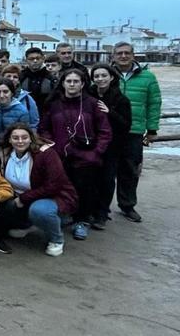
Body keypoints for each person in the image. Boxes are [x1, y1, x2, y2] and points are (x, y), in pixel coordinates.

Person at [39, 69, 112, 241]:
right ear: (63, 83)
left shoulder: (93, 104)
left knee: (85, 189)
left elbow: (105, 131)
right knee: (61, 188)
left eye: (76, 81)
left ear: (83, 84)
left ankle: (82, 221)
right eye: (68, 81)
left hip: (86, 157)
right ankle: (66, 215)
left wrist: (96, 153)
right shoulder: (53, 104)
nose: (72, 84)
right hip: (60, 156)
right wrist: (52, 147)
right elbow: (44, 128)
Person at [0, 123, 79, 257]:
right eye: (15, 138)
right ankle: (26, 225)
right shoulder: (4, 153)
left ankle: (56, 239)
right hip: (21, 194)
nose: (20, 141)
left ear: (31, 138)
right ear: (9, 140)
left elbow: (53, 186)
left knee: (39, 210)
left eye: (24, 137)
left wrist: (23, 198)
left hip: (55, 196)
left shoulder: (46, 154)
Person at [111, 41, 161, 222]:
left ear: (133, 55)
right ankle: (101, 208)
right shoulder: (105, 75)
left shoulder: (148, 77)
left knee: (130, 170)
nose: (123, 56)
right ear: (113, 56)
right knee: (105, 171)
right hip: (110, 130)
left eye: (126, 53)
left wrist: (152, 129)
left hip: (134, 130)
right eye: (119, 53)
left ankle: (127, 205)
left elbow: (154, 104)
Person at [88, 63, 132, 229]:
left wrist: (109, 112)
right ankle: (90, 210)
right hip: (91, 143)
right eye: (97, 76)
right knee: (91, 178)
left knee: (107, 179)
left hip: (112, 147)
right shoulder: (89, 94)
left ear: (111, 77)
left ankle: (102, 213)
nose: (100, 79)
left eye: (103, 75)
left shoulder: (121, 99)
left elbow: (126, 124)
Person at [0, 79, 30, 155]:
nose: (1, 95)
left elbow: (24, 133)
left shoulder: (22, 111)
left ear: (12, 93)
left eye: (5, 92)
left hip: (13, 149)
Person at [0, 65, 39, 130]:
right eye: (8, 76)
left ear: (19, 80)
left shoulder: (27, 99)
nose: (11, 79)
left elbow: (33, 124)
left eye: (15, 77)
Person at [20, 47, 54, 112]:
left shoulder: (51, 78)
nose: (35, 61)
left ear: (43, 59)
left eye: (38, 58)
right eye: (31, 59)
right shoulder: (21, 77)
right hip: (25, 114)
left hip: (46, 114)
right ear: (26, 60)